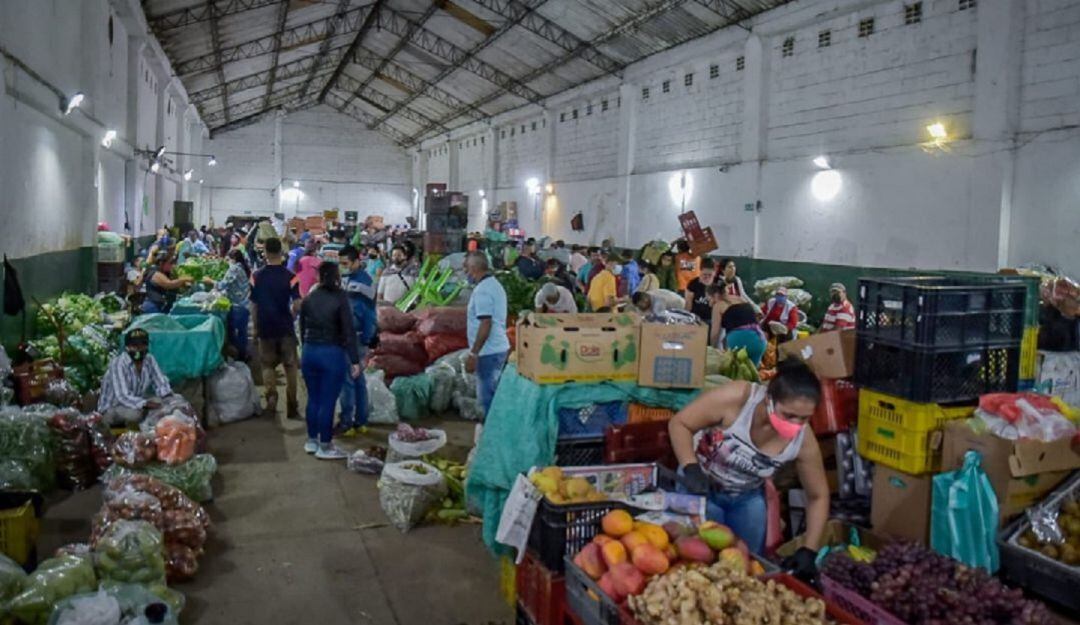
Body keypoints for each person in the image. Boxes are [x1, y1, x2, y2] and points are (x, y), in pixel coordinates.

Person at [668, 360, 830, 576]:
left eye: (804, 418)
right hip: (702, 488)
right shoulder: (738, 400)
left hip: (747, 499)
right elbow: (680, 424)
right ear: (769, 398)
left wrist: (810, 549)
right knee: (698, 564)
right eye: (789, 415)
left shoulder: (803, 440)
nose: (796, 424)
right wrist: (691, 467)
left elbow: (818, 495)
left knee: (746, 567)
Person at [299, 262, 361, 460]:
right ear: (336, 277)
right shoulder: (340, 297)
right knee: (327, 401)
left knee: (314, 399)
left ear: (319, 277)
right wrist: (354, 360)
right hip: (331, 354)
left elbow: (301, 327)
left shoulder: (309, 298)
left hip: (309, 351)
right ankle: (325, 446)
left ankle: (311, 441)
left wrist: (305, 347)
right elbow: (348, 330)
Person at [250, 238, 300, 420]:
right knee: (291, 367)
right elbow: (297, 305)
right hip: (285, 328)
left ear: (265, 253)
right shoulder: (291, 276)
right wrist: (292, 317)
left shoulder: (256, 276)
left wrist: (256, 329)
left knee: (267, 365)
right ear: (281, 252)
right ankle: (292, 405)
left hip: (265, 327)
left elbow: (253, 305)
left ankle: (271, 399)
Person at [337, 246, 378, 437]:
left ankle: (347, 422)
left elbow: (369, 314)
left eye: (346, 263)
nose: (342, 267)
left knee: (348, 380)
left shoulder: (365, 283)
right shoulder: (346, 279)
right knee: (358, 379)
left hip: (356, 338)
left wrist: (368, 337)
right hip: (349, 335)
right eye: (341, 263)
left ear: (356, 261)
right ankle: (361, 421)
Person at [463, 252, 511, 417]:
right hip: (498, 348)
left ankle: (493, 436)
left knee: (487, 399)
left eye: (466, 269)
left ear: (474, 268)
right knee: (495, 395)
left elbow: (486, 323)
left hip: (488, 352)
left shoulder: (483, 290)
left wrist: (474, 353)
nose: (466, 273)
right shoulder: (494, 285)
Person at [98, 329, 174, 425]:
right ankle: (117, 431)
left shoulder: (149, 359)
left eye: (143, 345)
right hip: (112, 409)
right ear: (127, 347)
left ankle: (141, 430)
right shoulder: (118, 364)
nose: (139, 349)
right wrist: (145, 404)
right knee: (135, 415)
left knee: (164, 404)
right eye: (135, 346)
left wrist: (169, 399)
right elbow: (122, 396)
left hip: (134, 403)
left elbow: (160, 383)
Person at [204, 248, 252, 360]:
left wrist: (210, 281)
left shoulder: (234, 269)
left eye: (229, 259)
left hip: (238, 305)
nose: (228, 261)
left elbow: (223, 285)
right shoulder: (242, 267)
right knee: (242, 332)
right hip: (244, 304)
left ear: (233, 259)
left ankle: (240, 356)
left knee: (235, 332)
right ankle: (243, 354)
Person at [721, 300, 769, 366]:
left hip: (736, 342)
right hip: (760, 341)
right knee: (752, 369)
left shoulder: (732, 333)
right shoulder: (746, 308)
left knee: (736, 368)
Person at [684, 257, 717, 326]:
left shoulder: (719, 284)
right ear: (700, 271)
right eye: (704, 275)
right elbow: (688, 304)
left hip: (714, 319)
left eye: (710, 275)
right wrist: (686, 320)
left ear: (715, 273)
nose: (707, 277)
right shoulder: (693, 284)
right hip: (696, 319)